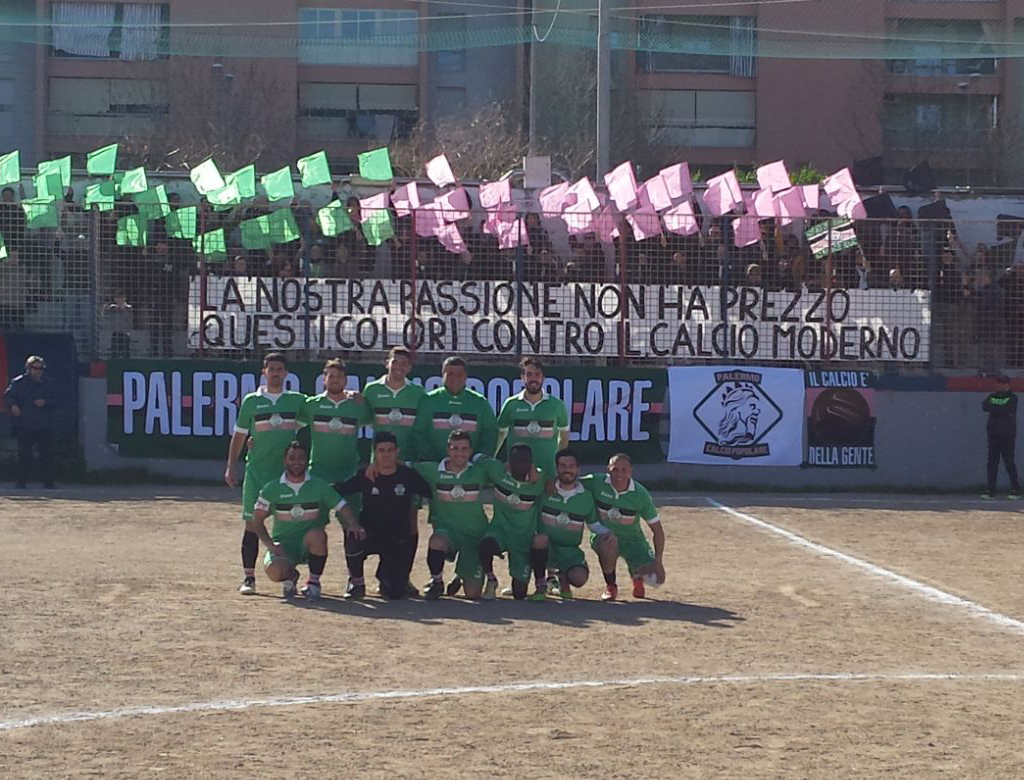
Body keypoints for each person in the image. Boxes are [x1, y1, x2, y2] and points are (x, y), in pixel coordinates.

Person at [224, 353, 307, 595]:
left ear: (286, 374)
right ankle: (249, 578)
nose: (275, 373)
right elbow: (239, 435)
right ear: (264, 372)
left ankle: (290, 575)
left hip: (286, 476)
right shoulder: (251, 401)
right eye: (271, 369)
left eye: (280, 369)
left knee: (289, 526)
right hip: (257, 473)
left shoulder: (296, 401)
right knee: (252, 524)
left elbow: (317, 412)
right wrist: (231, 466)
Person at [251, 441, 359, 601]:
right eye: (292, 458)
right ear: (284, 461)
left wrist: (353, 523)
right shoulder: (271, 489)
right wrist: (270, 544)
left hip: (310, 544)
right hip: (284, 545)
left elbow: (342, 505)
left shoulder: (319, 485)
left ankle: (313, 583)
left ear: (306, 460)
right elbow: (257, 520)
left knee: (318, 535)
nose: (296, 462)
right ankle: (291, 577)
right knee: (274, 571)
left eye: (301, 458)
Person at [336, 432, 433, 600]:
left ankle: (386, 576)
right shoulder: (366, 475)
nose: (386, 455)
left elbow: (429, 490)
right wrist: (351, 521)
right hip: (369, 533)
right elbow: (339, 491)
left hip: (396, 537)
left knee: (394, 594)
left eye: (390, 450)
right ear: (375, 452)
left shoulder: (408, 475)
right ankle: (356, 582)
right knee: (352, 535)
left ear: (397, 452)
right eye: (381, 450)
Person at [414, 430, 493, 600]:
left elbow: (505, 473)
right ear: (448, 450)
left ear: (470, 451)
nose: (460, 453)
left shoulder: (480, 472)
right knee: (436, 541)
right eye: (455, 448)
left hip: (475, 536)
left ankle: (461, 574)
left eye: (464, 449)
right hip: (447, 532)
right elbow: (400, 466)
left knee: (473, 594)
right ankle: (436, 582)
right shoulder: (432, 470)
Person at [583, 453, 666, 601]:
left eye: (624, 469)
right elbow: (570, 483)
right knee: (608, 545)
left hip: (633, 540)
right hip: (605, 536)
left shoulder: (641, 494)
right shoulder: (595, 482)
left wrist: (658, 562)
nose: (619, 474)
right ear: (608, 469)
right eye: (615, 469)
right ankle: (611, 586)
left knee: (656, 580)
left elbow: (657, 530)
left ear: (631, 471)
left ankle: (637, 575)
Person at [534, 448, 606, 600]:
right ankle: (541, 585)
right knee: (539, 540)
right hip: (545, 547)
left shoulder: (586, 496)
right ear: (556, 469)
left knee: (579, 578)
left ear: (578, 469)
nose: (567, 470)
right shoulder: (545, 489)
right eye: (563, 466)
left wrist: (609, 534)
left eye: (571, 466)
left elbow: (594, 525)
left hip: (569, 550)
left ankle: (563, 579)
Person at [477, 444, 546, 600]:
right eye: (516, 461)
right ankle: (491, 579)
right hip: (499, 531)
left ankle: (537, 582)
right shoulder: (497, 470)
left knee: (519, 595)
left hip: (523, 539)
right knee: (485, 545)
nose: (520, 465)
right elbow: (476, 457)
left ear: (531, 463)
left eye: (525, 461)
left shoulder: (539, 479)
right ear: (508, 462)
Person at [300, 358, 371, 492]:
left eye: (339, 376)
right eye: (331, 376)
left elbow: (378, 424)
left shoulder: (357, 406)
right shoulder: (312, 405)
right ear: (324, 379)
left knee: (350, 513)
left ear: (346, 380)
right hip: (318, 473)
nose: (335, 380)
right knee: (318, 513)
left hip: (348, 473)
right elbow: (289, 427)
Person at [411, 356, 497, 462]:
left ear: (466, 377)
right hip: (435, 468)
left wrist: (477, 460)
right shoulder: (428, 400)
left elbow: (490, 434)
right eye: (450, 374)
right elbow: (419, 433)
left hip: (470, 470)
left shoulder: (480, 402)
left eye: (459, 374)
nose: (455, 378)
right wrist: (432, 461)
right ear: (442, 376)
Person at [495, 357, 570, 478]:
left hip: (548, 473)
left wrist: (558, 465)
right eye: (529, 374)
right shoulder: (511, 404)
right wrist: (492, 459)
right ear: (522, 377)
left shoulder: (557, 405)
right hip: (516, 473)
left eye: (537, 374)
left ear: (543, 378)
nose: (533, 378)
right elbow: (500, 435)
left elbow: (564, 436)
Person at [4, 355, 58, 489]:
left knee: (46, 454)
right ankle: (21, 481)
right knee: (24, 454)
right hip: (25, 424)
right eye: (35, 368)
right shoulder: (18, 383)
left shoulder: (48, 383)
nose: (38, 371)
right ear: (28, 368)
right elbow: (8, 397)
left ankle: (48, 482)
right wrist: (13, 406)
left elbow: (57, 400)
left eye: (41, 368)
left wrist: (45, 402)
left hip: (44, 424)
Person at [363, 346, 425, 458]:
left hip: (408, 459)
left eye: (404, 363)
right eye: (395, 362)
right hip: (379, 461)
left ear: (409, 368)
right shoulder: (371, 389)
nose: (399, 367)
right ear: (387, 363)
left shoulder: (418, 391)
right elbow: (364, 418)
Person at [982, 374, 1020, 500]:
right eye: (997, 383)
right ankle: (990, 490)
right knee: (992, 463)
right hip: (993, 434)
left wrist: (996, 409)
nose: (998, 385)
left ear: (1007, 385)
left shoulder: (1013, 397)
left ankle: (1016, 489)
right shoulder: (992, 396)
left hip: (1007, 435)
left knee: (1009, 462)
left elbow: (1008, 410)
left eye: (1001, 383)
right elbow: (985, 406)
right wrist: (999, 409)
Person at [104, 289, 133, 358]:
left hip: (125, 333)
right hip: (115, 333)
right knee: (114, 353)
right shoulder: (112, 308)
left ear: (125, 298)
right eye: (117, 298)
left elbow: (129, 319)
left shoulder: (128, 308)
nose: (119, 299)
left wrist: (123, 309)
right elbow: (105, 316)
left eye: (121, 297)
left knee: (126, 353)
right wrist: (105, 308)